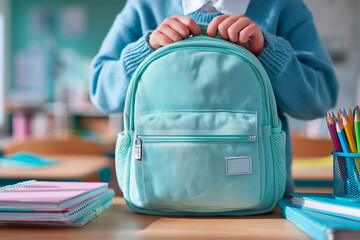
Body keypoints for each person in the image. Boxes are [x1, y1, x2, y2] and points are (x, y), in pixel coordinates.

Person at [89, 0, 339, 195]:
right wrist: (147, 47)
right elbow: (101, 91)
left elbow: (320, 99)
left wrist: (268, 52)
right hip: (161, 197)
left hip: (261, 207)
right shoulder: (144, 6)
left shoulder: (284, 6)